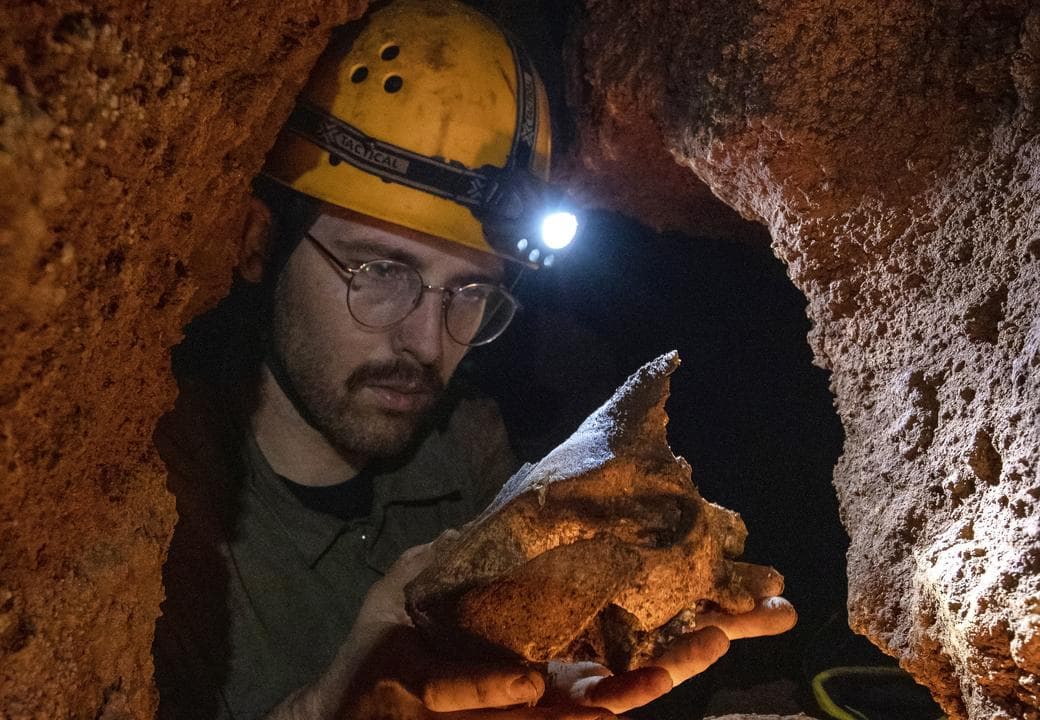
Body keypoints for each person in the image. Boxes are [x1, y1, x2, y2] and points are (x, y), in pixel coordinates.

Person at [152, 1, 797, 718]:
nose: (430, 344)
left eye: (471, 290)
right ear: (254, 242)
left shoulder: (466, 445)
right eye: (380, 273)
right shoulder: (156, 517)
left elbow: (554, 664)